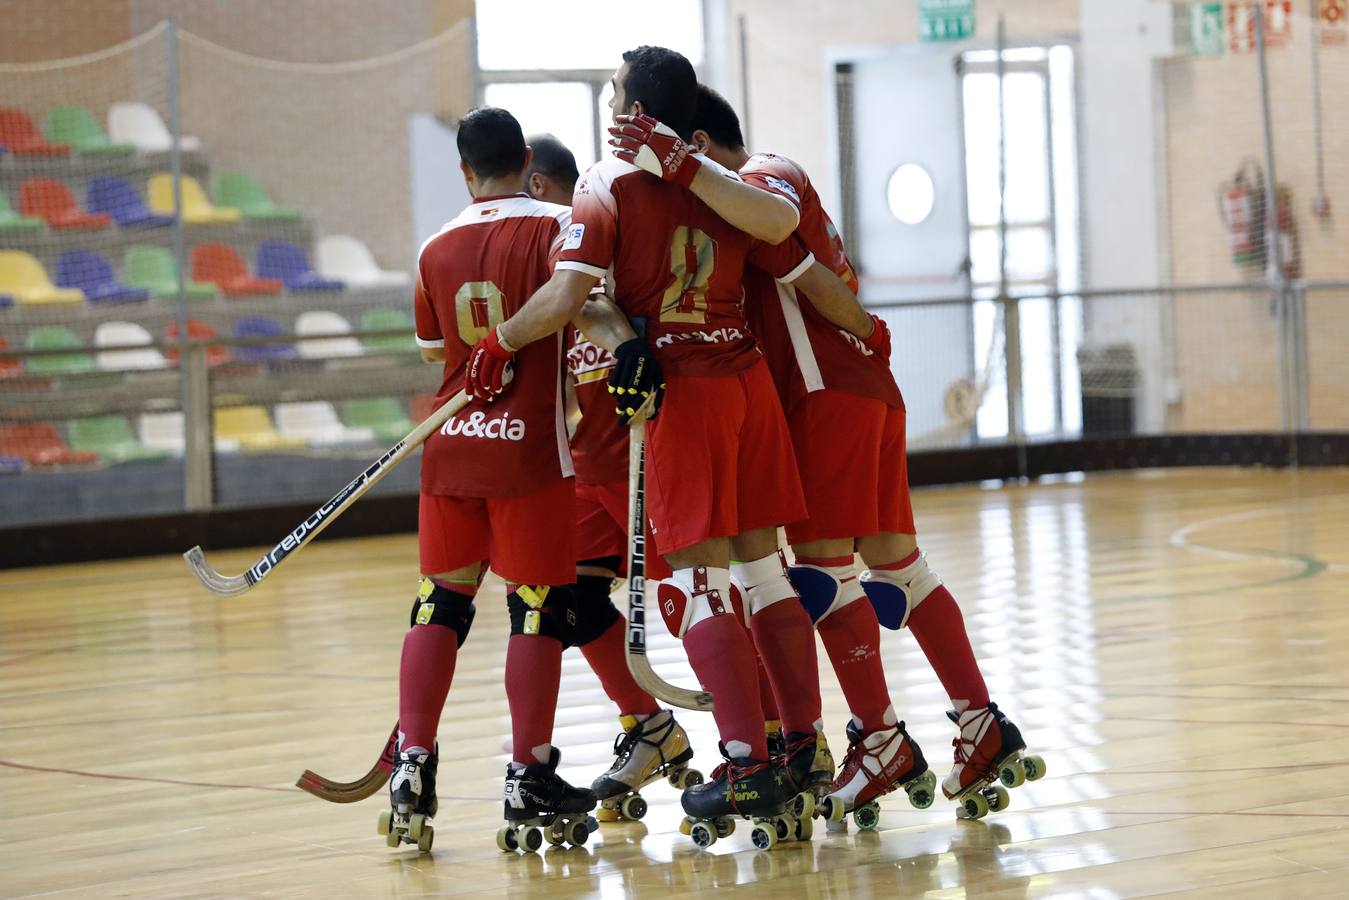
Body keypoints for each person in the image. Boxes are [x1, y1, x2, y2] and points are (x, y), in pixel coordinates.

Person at [464, 46, 837, 844]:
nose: (608, 106)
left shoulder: (607, 182)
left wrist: (500, 339)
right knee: (764, 571)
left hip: (684, 397)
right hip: (747, 388)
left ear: (633, 108)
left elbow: (570, 294)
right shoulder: (719, 177)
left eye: (613, 93)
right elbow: (778, 222)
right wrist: (686, 165)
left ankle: (743, 762)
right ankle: (796, 746)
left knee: (701, 579)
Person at [688, 85, 1042, 819]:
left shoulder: (760, 177)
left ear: (697, 141)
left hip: (823, 396)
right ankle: (980, 722)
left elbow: (783, 238)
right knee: (899, 569)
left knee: (820, 577)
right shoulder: (750, 185)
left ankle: (879, 737)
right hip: (859, 389)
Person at [387, 107, 631, 853]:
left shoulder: (433, 247)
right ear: (526, 160)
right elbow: (581, 306)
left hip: (453, 445)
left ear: (465, 171)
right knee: (536, 607)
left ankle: (412, 764)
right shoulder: (555, 229)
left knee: (440, 602)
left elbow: (437, 354)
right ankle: (527, 773)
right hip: (528, 451)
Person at [524, 134, 701, 820]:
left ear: (539, 186)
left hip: (643, 459)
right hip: (589, 466)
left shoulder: (594, 233)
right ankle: (650, 726)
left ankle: (776, 739)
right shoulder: (553, 252)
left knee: (701, 601)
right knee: (568, 597)